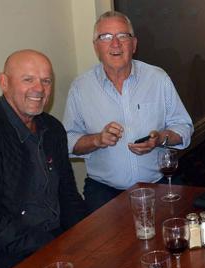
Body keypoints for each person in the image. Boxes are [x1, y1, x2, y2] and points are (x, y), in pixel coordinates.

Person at [63, 11, 193, 212]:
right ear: (96, 47)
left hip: (159, 183)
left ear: (134, 44)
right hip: (104, 190)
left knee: (169, 237)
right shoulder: (81, 88)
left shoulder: (158, 79)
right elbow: (68, 140)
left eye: (123, 36)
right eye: (106, 37)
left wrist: (160, 138)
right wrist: (97, 140)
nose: (115, 44)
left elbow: (183, 126)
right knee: (104, 244)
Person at [0, 50, 86, 268]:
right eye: (28, 79)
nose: (39, 89)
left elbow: (68, 195)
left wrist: (87, 237)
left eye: (46, 81)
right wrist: (49, 247)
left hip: (55, 244)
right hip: (6, 258)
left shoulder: (52, 128)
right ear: (4, 82)